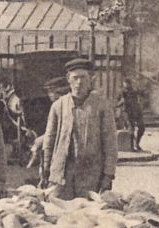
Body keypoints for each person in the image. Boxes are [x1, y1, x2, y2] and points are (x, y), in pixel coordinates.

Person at [43, 58, 117, 199]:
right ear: (68, 79)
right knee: (57, 213)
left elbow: (110, 142)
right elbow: (49, 139)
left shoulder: (102, 106)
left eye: (83, 77)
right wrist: (46, 168)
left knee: (86, 216)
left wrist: (108, 174)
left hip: (90, 176)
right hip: (61, 175)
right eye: (75, 78)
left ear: (91, 79)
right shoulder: (58, 106)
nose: (79, 82)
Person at [120, 80, 145, 152]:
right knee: (131, 129)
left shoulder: (134, 91)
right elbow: (120, 102)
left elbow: (142, 95)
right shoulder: (123, 92)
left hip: (137, 112)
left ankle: (136, 144)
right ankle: (131, 147)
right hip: (128, 113)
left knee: (142, 128)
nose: (128, 85)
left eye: (129, 84)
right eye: (126, 84)